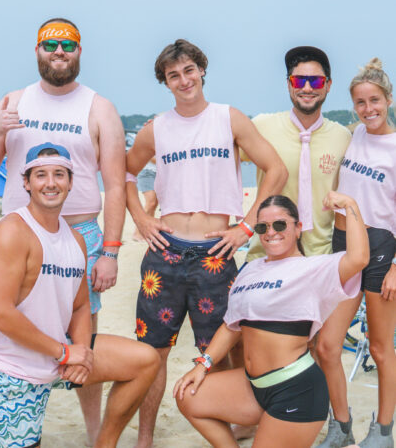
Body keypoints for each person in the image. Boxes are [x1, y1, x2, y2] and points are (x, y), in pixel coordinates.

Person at [0, 17, 125, 446]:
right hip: (20, 235)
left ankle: (93, 429)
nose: (59, 52)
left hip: (80, 234)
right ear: (37, 50)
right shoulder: (14, 102)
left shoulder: (99, 108)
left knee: (83, 333)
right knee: (2, 332)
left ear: (79, 51)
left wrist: (110, 252)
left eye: (68, 45)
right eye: (50, 45)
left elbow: (115, 185)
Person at [125, 39, 288, 447]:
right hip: (164, 251)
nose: (184, 81)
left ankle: (229, 428)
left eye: (189, 71)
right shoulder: (156, 128)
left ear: (201, 71)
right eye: (173, 75)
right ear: (165, 81)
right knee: (152, 352)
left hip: (216, 253)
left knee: (222, 349)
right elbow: (124, 174)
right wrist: (141, 218)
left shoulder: (228, 118)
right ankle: (145, 437)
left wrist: (246, 228)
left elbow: (275, 169)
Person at [0, 143, 159, 448]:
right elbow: (0, 314)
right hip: (12, 366)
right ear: (26, 183)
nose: (51, 183)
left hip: (60, 352)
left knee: (145, 361)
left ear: (71, 182)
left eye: (59, 174)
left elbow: (81, 305)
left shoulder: (75, 239)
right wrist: (64, 353)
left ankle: (104, 444)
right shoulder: (11, 231)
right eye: (41, 175)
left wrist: (81, 353)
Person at [174, 193, 369, 448]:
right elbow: (231, 326)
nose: (271, 232)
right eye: (262, 227)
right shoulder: (251, 270)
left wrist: (350, 205)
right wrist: (203, 364)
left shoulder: (313, 269)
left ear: (298, 228)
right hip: (254, 386)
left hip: (296, 390)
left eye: (280, 224)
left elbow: (359, 258)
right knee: (188, 395)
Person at [316, 59, 396, 448]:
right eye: (361, 103)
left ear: (388, 99)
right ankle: (341, 425)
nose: (368, 109)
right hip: (343, 245)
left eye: (375, 100)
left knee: (380, 348)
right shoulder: (356, 135)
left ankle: (382, 431)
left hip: (381, 249)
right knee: (327, 345)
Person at [243, 46, 352, 259]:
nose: (307, 88)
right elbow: (220, 162)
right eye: (299, 81)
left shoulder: (343, 138)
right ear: (289, 84)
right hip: (265, 256)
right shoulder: (262, 126)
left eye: (316, 81)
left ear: (328, 85)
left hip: (319, 257)